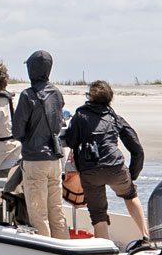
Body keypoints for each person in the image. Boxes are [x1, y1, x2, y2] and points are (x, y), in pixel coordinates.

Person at [62, 80, 149, 242]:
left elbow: (72, 141)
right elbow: (137, 150)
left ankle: (105, 251)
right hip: (115, 167)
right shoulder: (114, 117)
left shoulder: (80, 115)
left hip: (90, 170)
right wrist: (132, 175)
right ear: (110, 98)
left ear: (90, 96)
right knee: (130, 195)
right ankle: (145, 237)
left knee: (98, 214)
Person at [13, 50, 68, 239]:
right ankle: (63, 248)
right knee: (56, 211)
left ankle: (47, 254)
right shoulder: (57, 94)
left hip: (35, 160)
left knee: (38, 214)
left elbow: (17, 131)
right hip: (54, 160)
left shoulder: (27, 95)